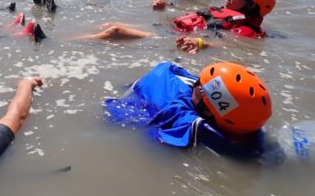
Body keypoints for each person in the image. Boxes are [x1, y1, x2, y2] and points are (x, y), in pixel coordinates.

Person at [104, 61, 272, 157]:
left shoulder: (193, 81)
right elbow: (237, 154)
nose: (198, 83)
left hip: (155, 76)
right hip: (140, 94)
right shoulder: (181, 112)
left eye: (200, 85)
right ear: (206, 112)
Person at [169, 0, 275, 52]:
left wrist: (202, 44)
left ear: (252, 5)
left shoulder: (246, 30)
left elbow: (229, 45)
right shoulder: (219, 12)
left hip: (184, 41)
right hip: (175, 32)